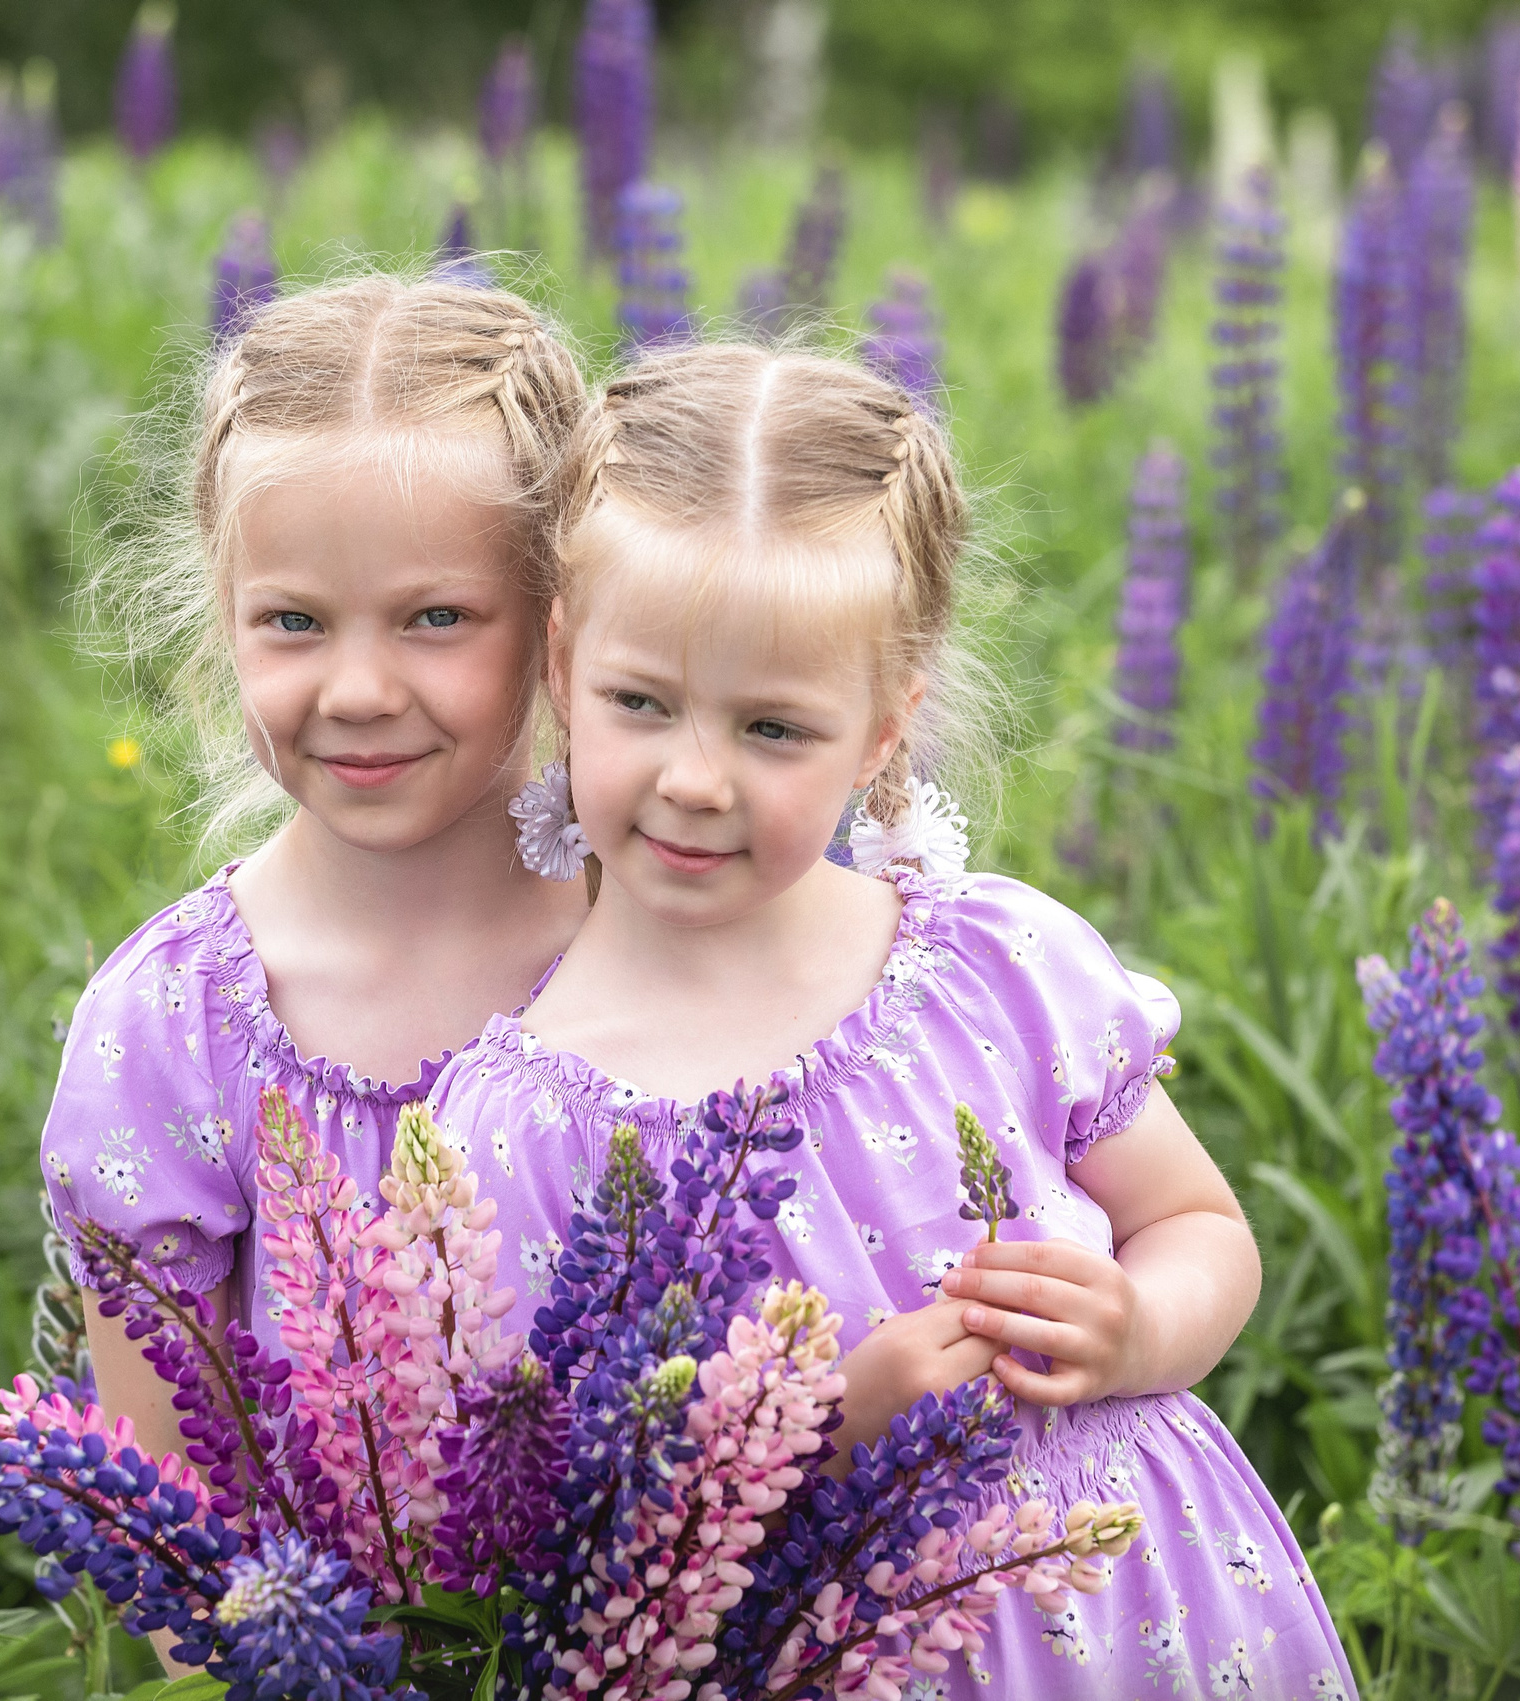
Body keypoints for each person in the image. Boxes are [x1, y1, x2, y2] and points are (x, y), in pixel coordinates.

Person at [428, 342, 1354, 1698]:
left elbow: (1199, 1225)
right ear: (562, 669)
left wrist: (1138, 1331)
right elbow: (543, 1517)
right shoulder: (523, 1122)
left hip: (1134, 1613)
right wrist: (818, 1426)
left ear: (883, 732)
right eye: (642, 703)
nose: (696, 780)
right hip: (827, 1647)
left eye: (774, 729)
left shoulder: (990, 967)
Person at [36, 273, 591, 1532]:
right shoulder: (175, 1025)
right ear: (222, 621)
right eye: (292, 621)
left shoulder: (673, 931)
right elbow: (176, 1537)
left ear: (564, 619)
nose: (355, 689)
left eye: (435, 616)